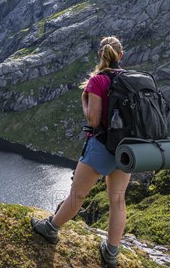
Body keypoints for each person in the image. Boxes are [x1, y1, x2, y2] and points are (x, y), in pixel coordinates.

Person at [31, 36, 131, 268]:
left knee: (77, 194)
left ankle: (51, 229)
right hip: (126, 149)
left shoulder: (97, 80)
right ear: (121, 56)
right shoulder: (129, 78)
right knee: (118, 200)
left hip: (102, 146)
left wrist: (84, 101)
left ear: (100, 55)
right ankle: (111, 252)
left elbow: (94, 120)